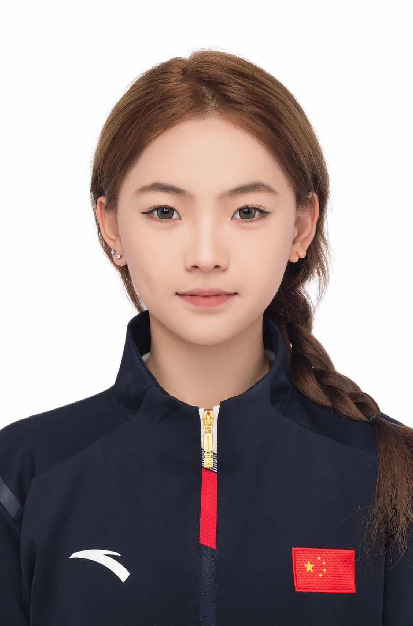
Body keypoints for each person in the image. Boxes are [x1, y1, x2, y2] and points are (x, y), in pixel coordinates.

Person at [1, 50, 412, 626]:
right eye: (164, 211)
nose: (205, 255)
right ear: (111, 225)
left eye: (248, 211)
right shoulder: (23, 475)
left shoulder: (389, 475)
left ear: (301, 226)